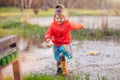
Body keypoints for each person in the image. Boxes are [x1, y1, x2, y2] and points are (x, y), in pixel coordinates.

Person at [44, 4, 84, 75]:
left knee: (61, 55)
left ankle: (64, 69)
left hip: (65, 44)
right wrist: (48, 39)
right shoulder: (52, 25)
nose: (59, 20)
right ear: (55, 18)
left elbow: (75, 26)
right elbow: (48, 33)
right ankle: (59, 69)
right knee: (58, 58)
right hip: (56, 44)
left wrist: (81, 25)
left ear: (64, 17)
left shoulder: (67, 24)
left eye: (61, 18)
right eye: (57, 18)